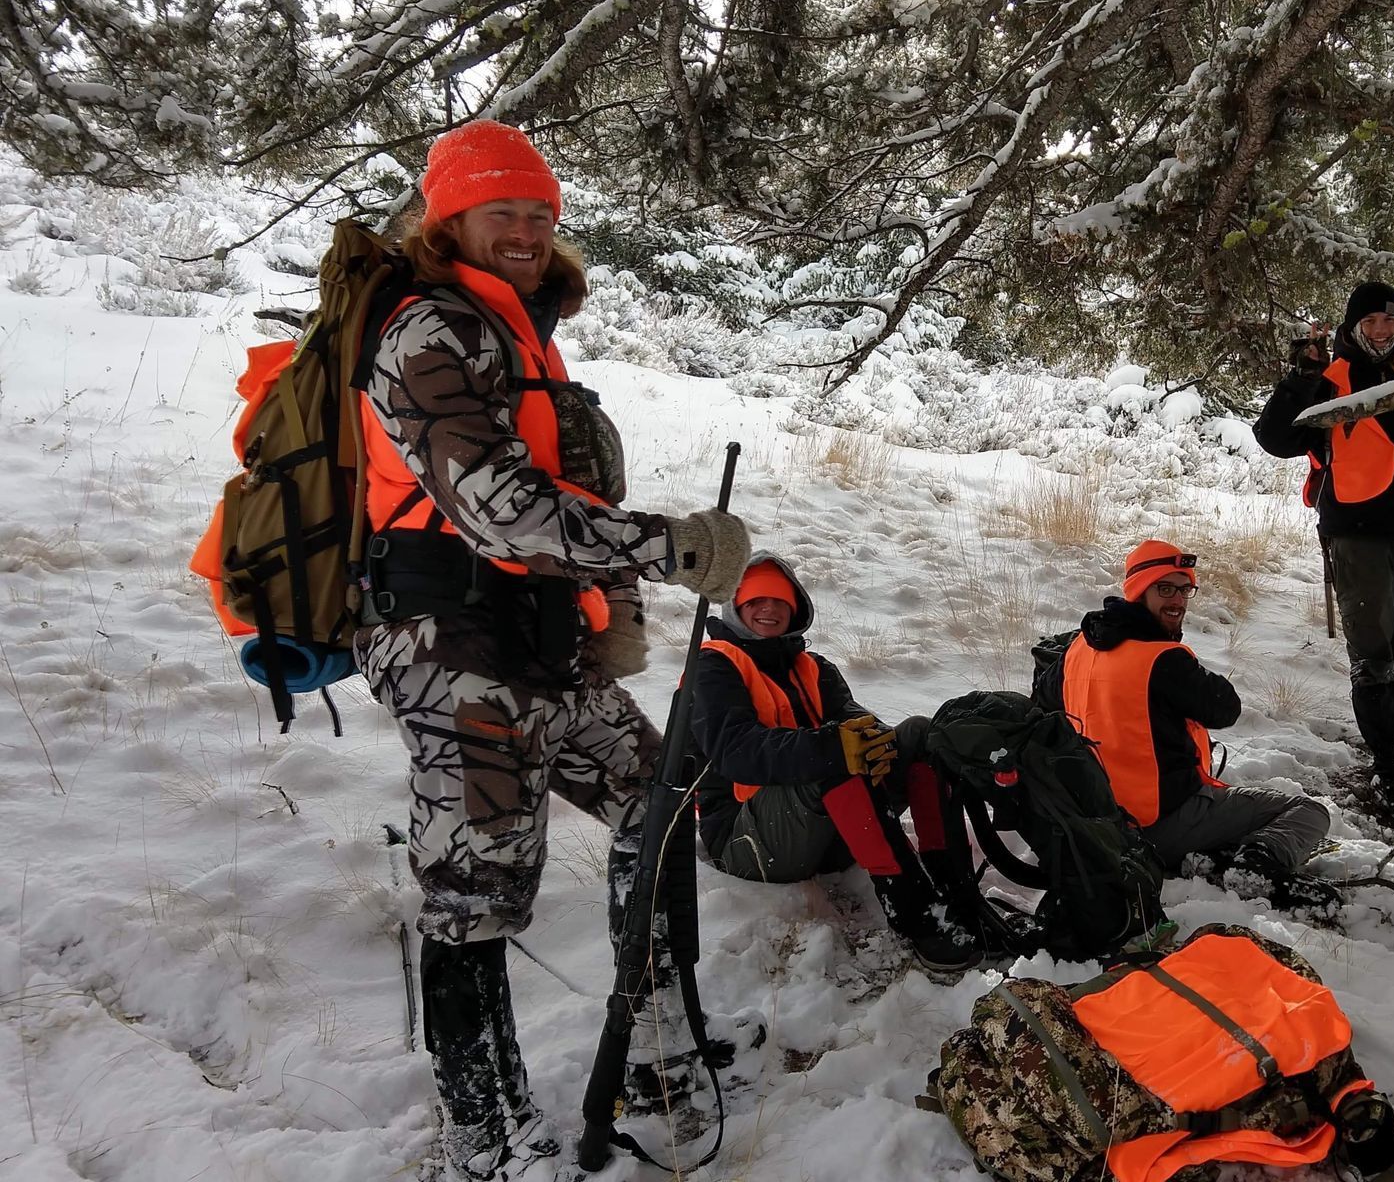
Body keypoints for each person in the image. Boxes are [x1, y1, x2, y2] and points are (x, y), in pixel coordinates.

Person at [354, 119, 752, 1181]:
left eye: (540, 211)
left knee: (657, 807)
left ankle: (663, 1047)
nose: (526, 228)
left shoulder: (518, 325)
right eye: (502, 210)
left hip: (537, 634)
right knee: (477, 889)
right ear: (449, 219)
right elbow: (498, 509)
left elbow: (557, 490)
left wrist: (608, 599)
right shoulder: (423, 329)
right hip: (447, 640)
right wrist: (668, 547)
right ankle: (484, 1137)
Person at [691, 554, 984, 973]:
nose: (768, 609)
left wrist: (877, 742)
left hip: (828, 830)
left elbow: (853, 719)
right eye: (755, 600)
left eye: (778, 600)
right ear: (734, 606)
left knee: (919, 734)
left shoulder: (815, 667)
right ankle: (915, 914)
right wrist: (835, 747)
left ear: (796, 607)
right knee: (833, 759)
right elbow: (735, 751)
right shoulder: (712, 667)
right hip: (749, 843)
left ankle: (951, 884)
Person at [1253, 280, 1394, 821]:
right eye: (1371, 322)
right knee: (1375, 661)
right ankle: (1391, 767)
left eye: (1390, 322)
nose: (1381, 331)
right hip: (1357, 536)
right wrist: (1302, 377)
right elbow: (1276, 439)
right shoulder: (1328, 381)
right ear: (1354, 327)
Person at [1035, 540, 1333, 903]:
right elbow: (1225, 709)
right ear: (1138, 591)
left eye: (1184, 589)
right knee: (1307, 811)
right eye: (1164, 588)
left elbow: (1042, 701)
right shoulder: (1161, 659)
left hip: (1102, 824)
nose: (1177, 600)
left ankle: (1213, 858)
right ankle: (1256, 867)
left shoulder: (1078, 649)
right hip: (1161, 823)